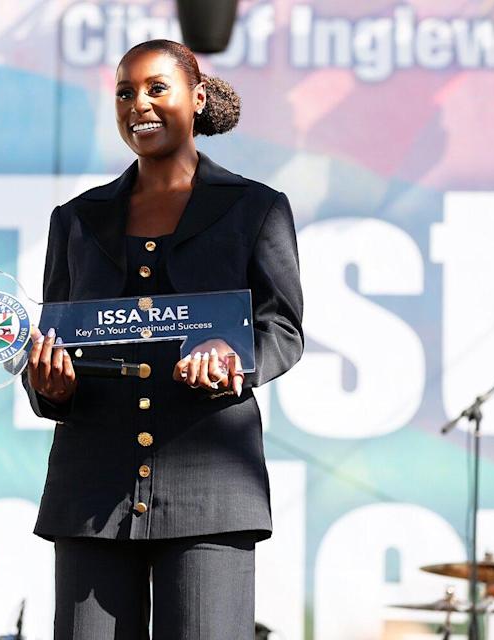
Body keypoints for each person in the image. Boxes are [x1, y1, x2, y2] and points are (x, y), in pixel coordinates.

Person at [24, 39, 304, 639]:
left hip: (210, 486)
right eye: (125, 92)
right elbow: (55, 342)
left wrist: (235, 353)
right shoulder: (74, 220)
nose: (138, 104)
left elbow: (282, 327)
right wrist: (48, 384)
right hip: (91, 487)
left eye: (157, 88)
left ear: (197, 98)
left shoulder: (255, 208)